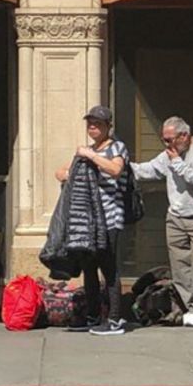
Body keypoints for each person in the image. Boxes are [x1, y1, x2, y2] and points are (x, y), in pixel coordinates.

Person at [130, 116, 193, 328]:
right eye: (164, 140)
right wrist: (120, 166)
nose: (167, 144)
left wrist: (177, 162)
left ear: (184, 135)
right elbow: (148, 169)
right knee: (180, 264)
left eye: (170, 140)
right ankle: (187, 307)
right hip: (176, 215)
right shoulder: (169, 153)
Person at [56, 105, 130, 336]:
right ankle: (93, 315)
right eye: (89, 123)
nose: (92, 127)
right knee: (89, 268)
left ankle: (116, 319)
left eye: (97, 124)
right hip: (88, 221)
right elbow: (61, 172)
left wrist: (92, 157)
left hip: (110, 217)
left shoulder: (117, 147)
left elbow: (116, 170)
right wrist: (70, 173)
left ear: (108, 126)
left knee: (109, 267)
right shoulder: (86, 150)